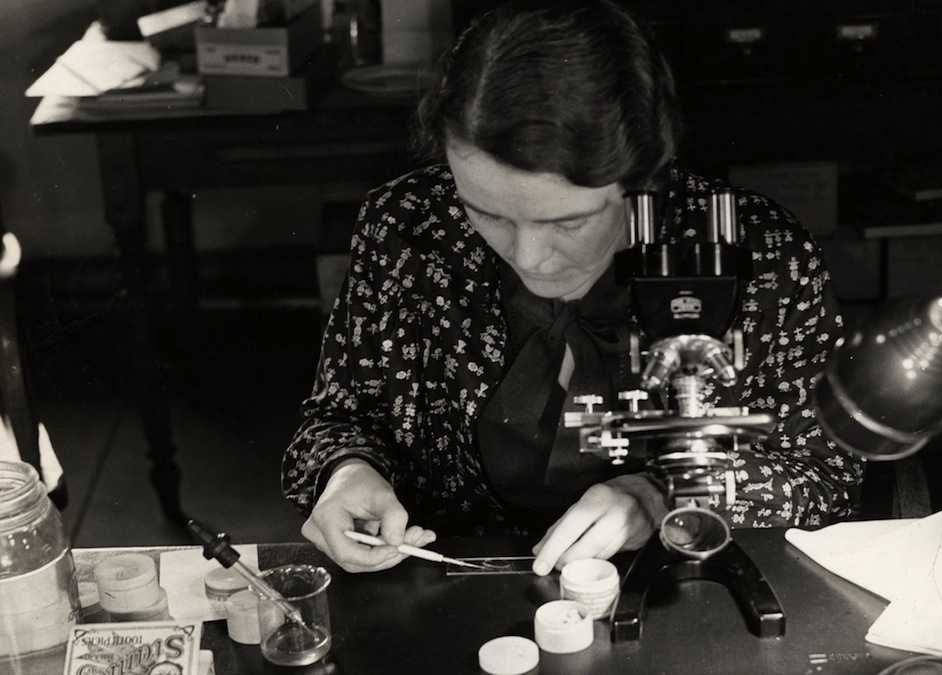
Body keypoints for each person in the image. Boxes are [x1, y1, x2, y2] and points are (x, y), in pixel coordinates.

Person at [282, 0, 863, 575]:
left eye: (568, 223)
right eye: (486, 214)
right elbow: (340, 415)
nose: (530, 258)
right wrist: (347, 471)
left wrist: (664, 495)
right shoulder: (407, 225)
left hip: (677, 589)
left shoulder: (761, 259)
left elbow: (823, 478)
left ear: (644, 179)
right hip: (455, 586)